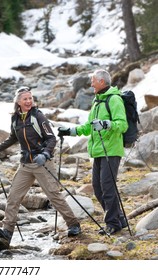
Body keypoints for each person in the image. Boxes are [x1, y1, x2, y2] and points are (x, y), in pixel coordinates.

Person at [0, 86, 81, 243]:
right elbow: (12, 138)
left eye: (30, 98)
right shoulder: (15, 118)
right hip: (25, 164)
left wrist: (45, 154)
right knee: (13, 197)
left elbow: (51, 138)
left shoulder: (38, 116)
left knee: (53, 195)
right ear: (18, 101)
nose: (29, 101)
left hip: (42, 163)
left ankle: (73, 224)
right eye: (25, 99)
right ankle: (7, 231)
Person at [58, 69, 128, 235]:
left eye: (93, 81)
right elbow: (89, 126)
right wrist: (70, 131)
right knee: (97, 187)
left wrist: (106, 124)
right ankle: (119, 218)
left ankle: (112, 223)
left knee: (107, 187)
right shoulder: (97, 102)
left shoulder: (114, 99)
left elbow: (122, 124)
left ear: (102, 82)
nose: (91, 84)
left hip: (111, 150)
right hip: (98, 151)